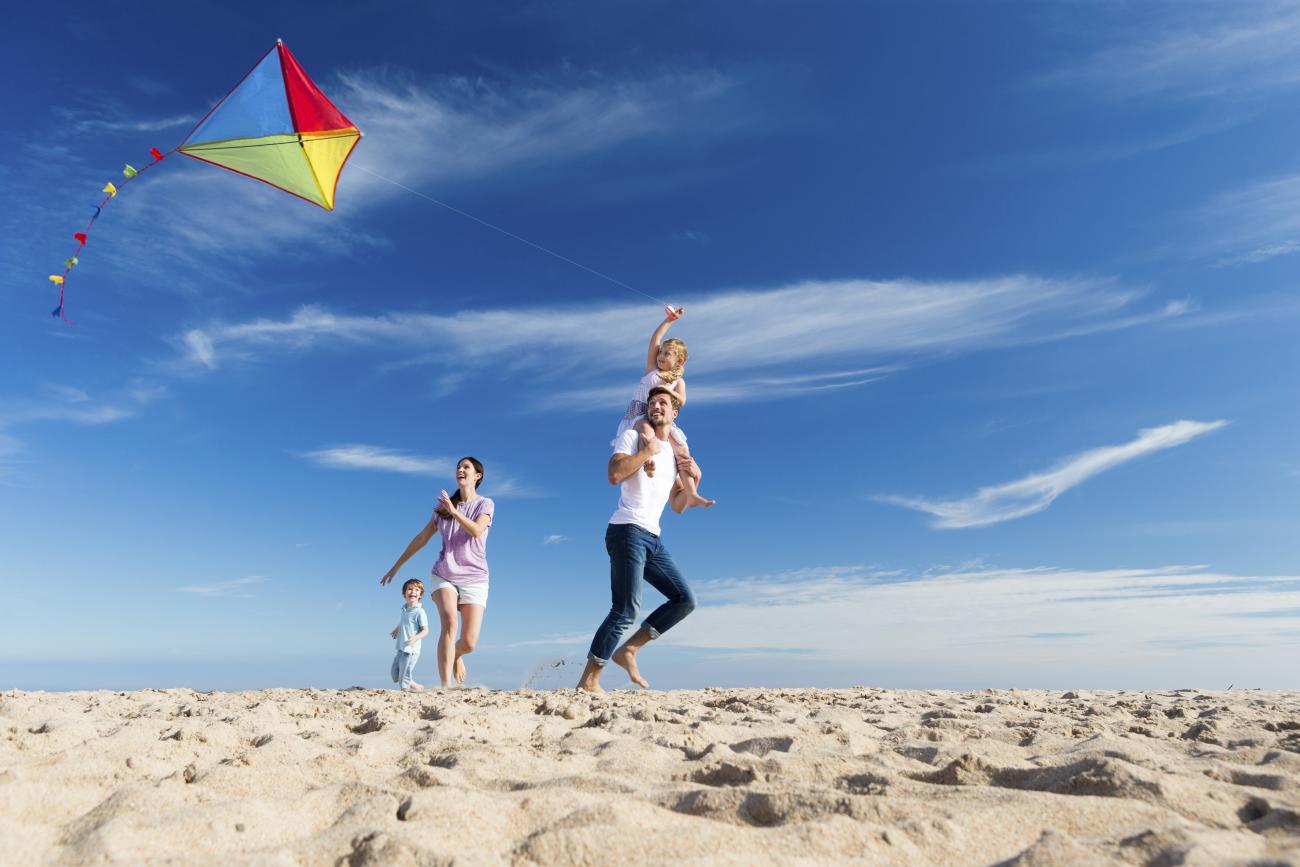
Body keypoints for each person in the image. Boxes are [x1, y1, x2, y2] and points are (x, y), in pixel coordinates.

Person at [578, 386, 702, 693]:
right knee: (624, 609)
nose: (656, 406)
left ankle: (629, 650)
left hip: (653, 538)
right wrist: (647, 452)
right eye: (652, 402)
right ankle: (589, 680)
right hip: (627, 530)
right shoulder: (634, 437)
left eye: (663, 402)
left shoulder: (675, 453)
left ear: (675, 412)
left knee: (685, 600)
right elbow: (614, 473)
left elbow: (676, 506)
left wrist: (694, 480)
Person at [380, 457, 495, 688]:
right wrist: (397, 565)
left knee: (470, 643)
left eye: (466, 468)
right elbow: (422, 538)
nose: (460, 470)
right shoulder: (442, 509)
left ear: (477, 476)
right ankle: (445, 685)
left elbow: (476, 530)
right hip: (444, 574)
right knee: (450, 623)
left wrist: (454, 511)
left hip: (475, 577)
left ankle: (457, 656)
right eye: (458, 467)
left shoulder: (485, 504)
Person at [615, 309, 714, 509]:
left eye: (666, 354)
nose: (660, 356)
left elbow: (682, 401)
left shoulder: (679, 381)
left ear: (679, 361)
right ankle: (648, 463)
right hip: (641, 413)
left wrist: (667, 393)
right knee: (646, 430)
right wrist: (669, 320)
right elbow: (655, 337)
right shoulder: (652, 368)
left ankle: (692, 492)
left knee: (681, 447)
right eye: (660, 352)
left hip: (661, 416)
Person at [390, 578, 429, 691]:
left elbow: (425, 631)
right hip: (401, 647)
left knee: (404, 675)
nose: (413, 592)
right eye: (410, 589)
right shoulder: (405, 610)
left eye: (416, 590)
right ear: (404, 594)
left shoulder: (420, 612)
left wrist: (415, 638)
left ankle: (404, 691)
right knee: (395, 674)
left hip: (411, 650)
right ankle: (417, 686)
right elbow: (405, 622)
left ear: (420, 594)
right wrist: (397, 629)